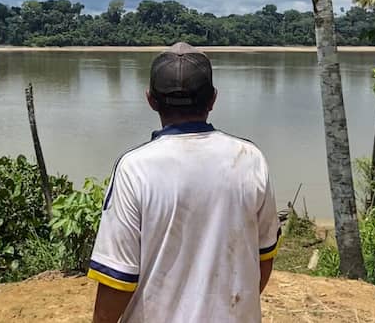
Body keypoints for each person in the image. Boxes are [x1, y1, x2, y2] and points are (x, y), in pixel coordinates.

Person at [87, 42, 281, 323]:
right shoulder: (250, 159)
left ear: (151, 100)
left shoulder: (134, 168)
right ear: (213, 99)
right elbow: (263, 259)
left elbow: (118, 279)